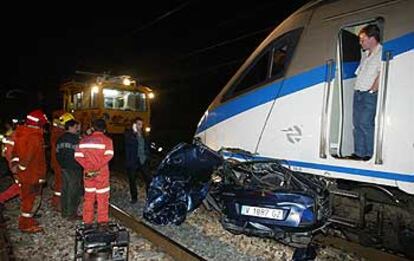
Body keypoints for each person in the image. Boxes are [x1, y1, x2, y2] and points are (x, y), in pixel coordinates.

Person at [12, 109, 48, 233]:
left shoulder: (21, 133)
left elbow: (15, 153)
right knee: (30, 199)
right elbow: (29, 156)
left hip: (27, 174)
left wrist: (17, 166)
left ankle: (27, 220)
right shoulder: (34, 136)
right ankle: (25, 224)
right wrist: (23, 168)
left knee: (27, 198)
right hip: (32, 175)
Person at [351, 24, 382, 161]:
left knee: (365, 123)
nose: (360, 42)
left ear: (372, 38)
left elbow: (381, 74)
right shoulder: (365, 54)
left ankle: (370, 154)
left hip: (369, 95)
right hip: (358, 92)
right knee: (357, 124)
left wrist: (372, 91)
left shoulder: (381, 53)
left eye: (363, 39)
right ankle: (359, 153)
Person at [75, 119, 113, 226]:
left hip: (88, 173)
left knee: (89, 197)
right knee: (102, 198)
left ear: (92, 128)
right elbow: (109, 155)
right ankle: (102, 222)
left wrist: (89, 166)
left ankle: (87, 221)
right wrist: (97, 166)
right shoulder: (107, 141)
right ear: (104, 129)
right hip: (101, 173)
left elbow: (77, 156)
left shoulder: (83, 141)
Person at [56, 117, 82, 220]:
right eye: (76, 127)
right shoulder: (75, 139)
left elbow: (57, 154)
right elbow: (81, 154)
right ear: (70, 127)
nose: (77, 130)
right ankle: (72, 214)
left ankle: (65, 212)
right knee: (74, 191)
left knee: (65, 190)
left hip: (64, 167)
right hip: (74, 168)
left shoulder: (60, 139)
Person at [124, 117, 150, 204]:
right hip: (133, 161)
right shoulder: (129, 134)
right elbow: (130, 142)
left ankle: (149, 197)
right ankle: (134, 198)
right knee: (132, 180)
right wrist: (135, 133)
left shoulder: (144, 134)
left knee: (148, 179)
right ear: (134, 125)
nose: (141, 126)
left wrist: (147, 156)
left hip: (143, 160)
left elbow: (147, 145)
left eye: (141, 124)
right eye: (139, 124)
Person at [49, 115, 66, 211]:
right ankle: (57, 203)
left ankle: (57, 202)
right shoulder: (59, 134)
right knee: (59, 183)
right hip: (59, 162)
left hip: (56, 161)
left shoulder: (55, 132)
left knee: (59, 182)